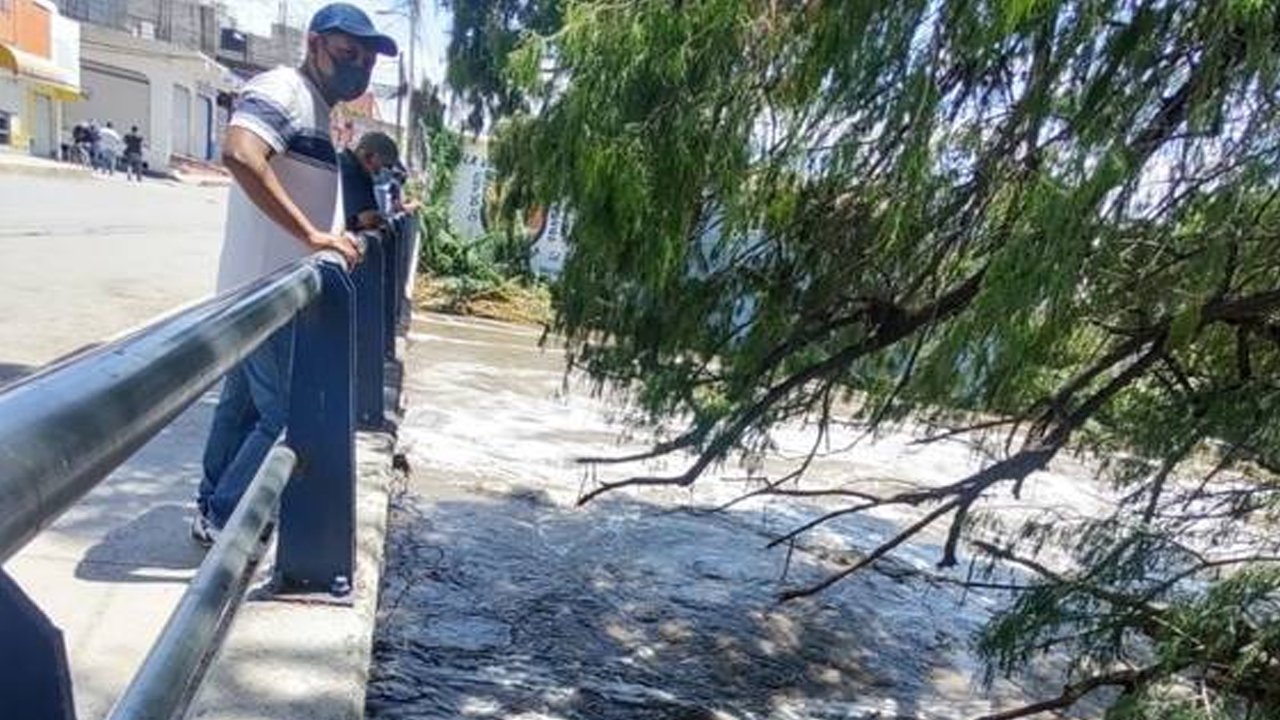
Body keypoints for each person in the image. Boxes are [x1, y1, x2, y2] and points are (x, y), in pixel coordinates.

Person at [192, 2, 397, 546]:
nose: (359, 67)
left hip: (265, 290)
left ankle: (210, 507)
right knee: (286, 415)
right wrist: (312, 236)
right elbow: (240, 152)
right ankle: (228, 513)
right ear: (314, 45)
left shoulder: (315, 109)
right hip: (263, 290)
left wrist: (332, 235)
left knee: (240, 408)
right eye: (348, 53)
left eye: (368, 61)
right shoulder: (284, 89)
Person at [338, 131, 400, 231]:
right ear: (368, 156)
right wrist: (358, 220)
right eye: (385, 165)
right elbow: (364, 218)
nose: (381, 171)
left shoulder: (362, 174)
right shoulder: (346, 170)